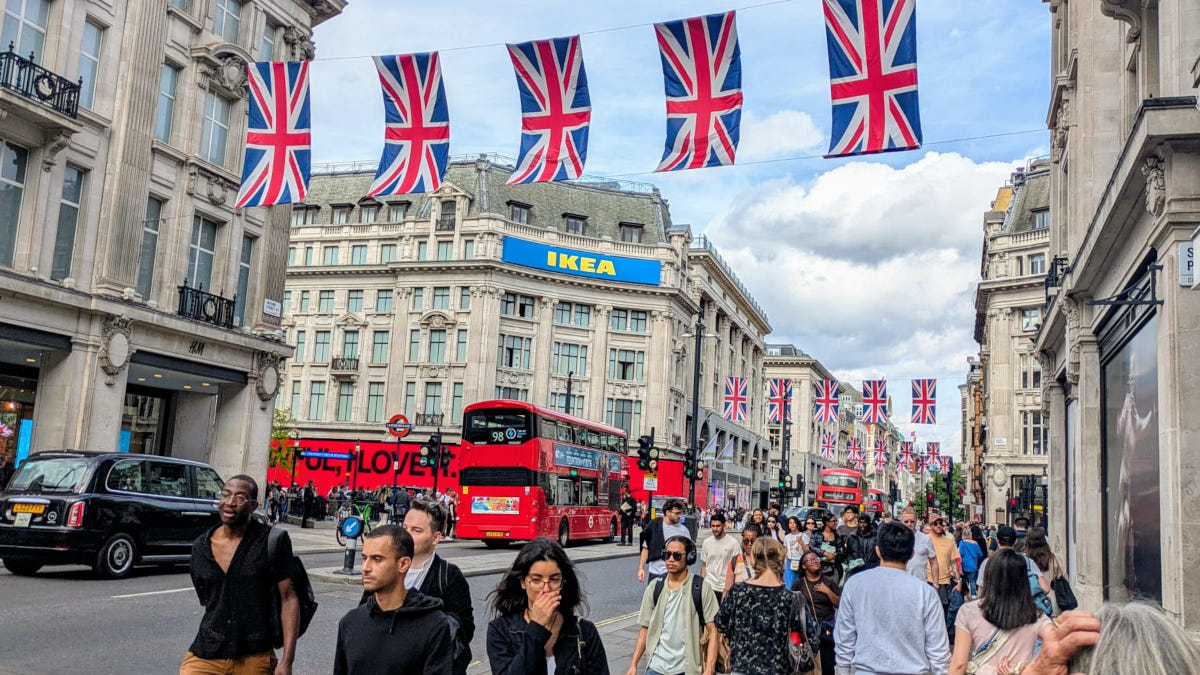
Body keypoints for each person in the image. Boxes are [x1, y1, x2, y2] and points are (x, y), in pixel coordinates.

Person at [183, 475, 298, 675]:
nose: (230, 502)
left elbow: (289, 598)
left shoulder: (272, 541)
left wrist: (287, 660)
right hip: (207, 652)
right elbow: (207, 597)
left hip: (254, 656)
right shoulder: (201, 546)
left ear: (253, 506)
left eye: (240, 497)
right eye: (225, 495)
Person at [356, 499, 474, 674]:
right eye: (405, 528)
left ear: (436, 537)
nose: (406, 535)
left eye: (416, 530)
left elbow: (464, 630)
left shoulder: (449, 575)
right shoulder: (386, 567)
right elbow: (364, 613)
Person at [834, 522, 951, 675]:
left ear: (878, 551)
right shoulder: (925, 592)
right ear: (912, 554)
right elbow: (938, 651)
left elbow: (844, 638)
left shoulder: (855, 584)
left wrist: (843, 670)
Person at [334, 525, 452, 674]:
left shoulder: (433, 625)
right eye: (364, 558)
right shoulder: (350, 622)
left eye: (377, 559)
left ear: (403, 564)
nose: (365, 567)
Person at [485, 538, 609, 674]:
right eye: (536, 580)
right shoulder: (500, 630)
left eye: (554, 580)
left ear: (563, 582)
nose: (546, 589)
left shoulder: (585, 631)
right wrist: (537, 628)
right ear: (523, 582)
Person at [627, 536, 720, 675]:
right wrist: (634, 664)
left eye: (676, 556)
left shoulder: (702, 588)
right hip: (655, 668)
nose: (670, 559)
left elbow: (713, 631)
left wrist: (709, 668)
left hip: (686, 669)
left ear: (689, 557)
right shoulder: (655, 587)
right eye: (667, 555)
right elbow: (645, 627)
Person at [715, 537, 808, 675]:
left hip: (742, 668)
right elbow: (810, 640)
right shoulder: (793, 598)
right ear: (781, 559)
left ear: (753, 560)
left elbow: (720, 623)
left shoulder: (738, 591)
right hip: (779, 669)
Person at [947, 550, 1049, 675]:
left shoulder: (969, 611)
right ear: (1024, 580)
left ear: (988, 576)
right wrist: (1030, 669)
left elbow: (959, 665)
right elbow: (1060, 644)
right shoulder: (1035, 614)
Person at [794, 551, 841, 675]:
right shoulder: (799, 584)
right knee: (809, 666)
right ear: (804, 566)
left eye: (816, 559)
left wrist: (827, 591)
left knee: (827, 665)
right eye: (811, 560)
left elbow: (839, 604)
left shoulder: (828, 581)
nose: (815, 561)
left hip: (826, 629)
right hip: (807, 631)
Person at [976, 526, 1050, 602]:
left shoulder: (987, 562)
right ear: (1015, 541)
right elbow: (1045, 588)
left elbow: (981, 592)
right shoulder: (1027, 561)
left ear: (997, 541)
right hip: (1019, 606)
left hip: (994, 606)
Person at [638, 498, 690, 584]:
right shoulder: (654, 525)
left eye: (681, 513)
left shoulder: (683, 531)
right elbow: (646, 548)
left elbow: (687, 554)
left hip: (674, 574)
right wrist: (641, 568)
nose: (679, 516)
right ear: (667, 512)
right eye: (677, 513)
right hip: (655, 572)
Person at [699, 512, 741, 602]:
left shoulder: (733, 543)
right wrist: (701, 584)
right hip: (709, 585)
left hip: (725, 587)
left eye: (718, 526)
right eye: (713, 526)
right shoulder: (706, 542)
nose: (715, 529)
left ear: (724, 525)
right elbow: (704, 565)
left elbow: (738, 567)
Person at [927, 515, 962, 614]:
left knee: (944, 612)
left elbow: (954, 563)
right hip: (928, 580)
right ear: (930, 525)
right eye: (935, 524)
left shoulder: (949, 542)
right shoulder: (925, 540)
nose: (938, 526)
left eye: (940, 523)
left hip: (945, 582)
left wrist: (959, 581)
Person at [901, 507, 940, 585]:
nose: (909, 524)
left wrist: (936, 585)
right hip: (901, 584)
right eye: (906, 521)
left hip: (920, 584)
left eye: (912, 521)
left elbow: (934, 563)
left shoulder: (925, 539)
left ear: (916, 520)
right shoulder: (895, 539)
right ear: (901, 521)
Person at [844, 513, 880, 581]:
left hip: (872, 569)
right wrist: (853, 563)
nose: (862, 525)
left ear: (869, 523)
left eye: (865, 523)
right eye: (860, 522)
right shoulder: (852, 537)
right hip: (857, 569)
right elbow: (848, 553)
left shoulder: (875, 537)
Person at [725, 523, 761, 591]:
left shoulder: (766, 561)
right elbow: (727, 588)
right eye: (746, 541)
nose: (749, 544)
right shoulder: (734, 561)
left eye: (753, 541)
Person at [814, 515, 846, 582]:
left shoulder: (840, 535)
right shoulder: (816, 533)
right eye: (833, 521)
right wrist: (824, 553)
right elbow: (812, 547)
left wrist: (834, 555)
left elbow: (843, 552)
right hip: (818, 567)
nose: (835, 523)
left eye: (836, 521)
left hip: (834, 568)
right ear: (827, 522)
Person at [957, 525, 985, 599]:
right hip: (973, 565)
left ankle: (965, 594)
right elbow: (980, 554)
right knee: (972, 581)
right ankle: (973, 595)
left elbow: (960, 553)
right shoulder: (975, 543)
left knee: (963, 580)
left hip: (964, 565)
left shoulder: (962, 543)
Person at [783, 516, 807, 589]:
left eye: (794, 522)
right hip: (790, 561)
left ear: (797, 524)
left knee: (800, 582)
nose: (792, 524)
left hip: (800, 561)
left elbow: (807, 550)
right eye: (790, 523)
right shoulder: (786, 537)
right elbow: (785, 551)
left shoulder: (803, 535)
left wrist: (801, 543)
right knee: (789, 582)